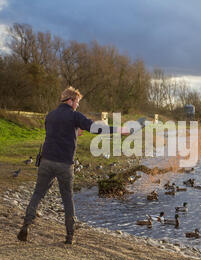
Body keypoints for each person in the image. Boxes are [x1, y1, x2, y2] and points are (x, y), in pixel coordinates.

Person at [17, 86, 129, 244]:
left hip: (46, 161)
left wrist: (75, 132)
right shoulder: (75, 116)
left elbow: (56, 134)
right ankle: (69, 236)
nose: (78, 105)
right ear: (70, 101)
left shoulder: (50, 116)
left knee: (37, 194)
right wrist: (118, 129)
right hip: (64, 164)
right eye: (77, 102)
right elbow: (96, 129)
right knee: (67, 199)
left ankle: (25, 226)